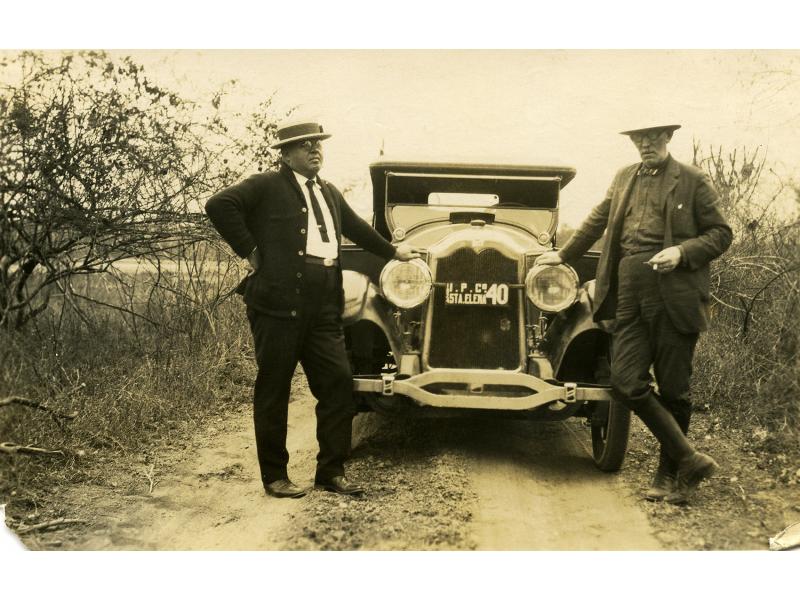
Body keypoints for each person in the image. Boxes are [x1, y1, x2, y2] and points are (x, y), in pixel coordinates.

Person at [205, 120, 419, 498]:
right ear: (286, 155)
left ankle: (331, 472)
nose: (314, 150)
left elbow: (358, 230)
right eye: (304, 145)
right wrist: (251, 251)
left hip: (323, 308)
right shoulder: (266, 185)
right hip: (277, 307)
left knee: (338, 384)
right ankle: (275, 477)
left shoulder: (330, 193)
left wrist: (394, 251)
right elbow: (219, 205)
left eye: (318, 144)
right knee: (274, 388)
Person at [536, 122, 732, 504]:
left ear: (668, 139)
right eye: (638, 139)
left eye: (653, 138)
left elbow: (721, 233)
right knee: (625, 382)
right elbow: (596, 220)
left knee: (675, 389)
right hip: (628, 291)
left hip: (675, 293)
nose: (646, 145)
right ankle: (689, 457)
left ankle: (668, 475)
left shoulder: (692, 180)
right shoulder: (624, 177)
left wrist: (682, 253)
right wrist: (562, 255)